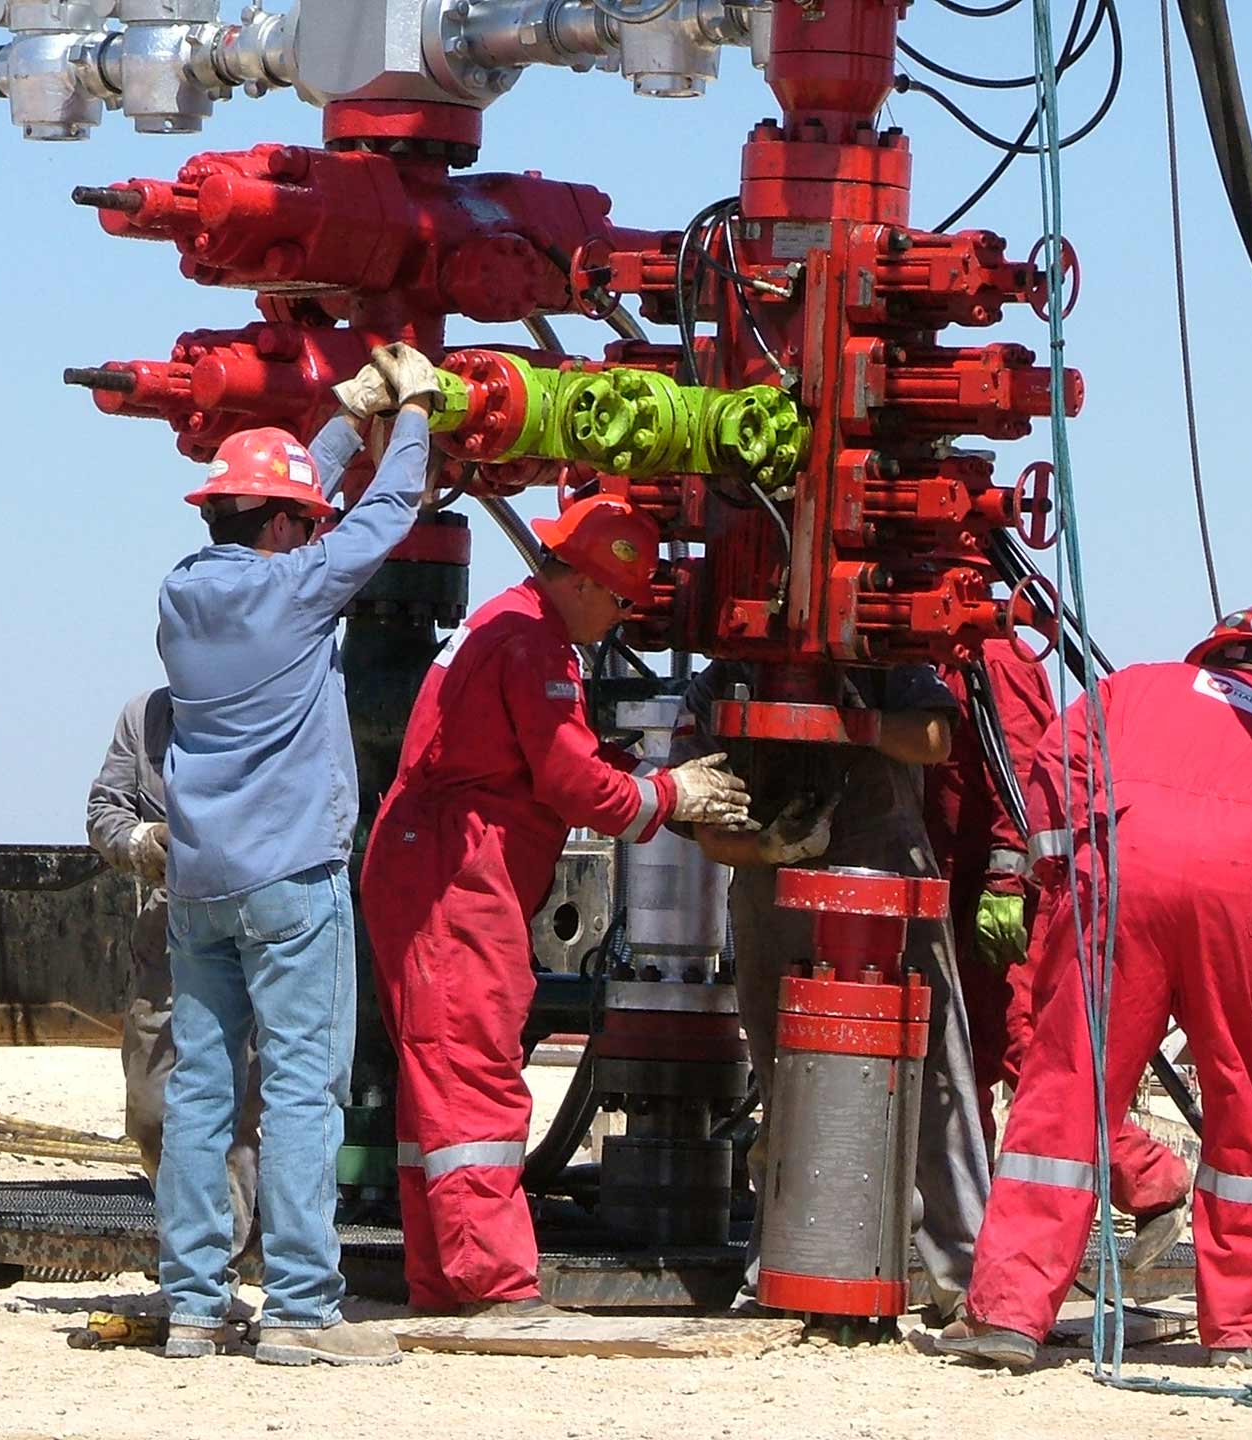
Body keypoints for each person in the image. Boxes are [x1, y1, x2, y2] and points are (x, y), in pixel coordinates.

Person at [940, 607, 1252, 1370]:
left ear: (1212, 655)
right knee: (1246, 1108)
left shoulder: (1135, 688)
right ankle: (1239, 1334)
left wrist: (1061, 874)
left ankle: (1010, 1318)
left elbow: (1053, 765)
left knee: (1067, 1091)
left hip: (1124, 883)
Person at [359, 495, 753, 1317]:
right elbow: (573, 783)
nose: (617, 619)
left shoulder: (516, 625)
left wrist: (631, 771)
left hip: (446, 866)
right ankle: (493, 1283)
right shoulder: (528, 639)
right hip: (453, 874)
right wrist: (673, 793)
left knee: (438, 1076)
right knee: (472, 1072)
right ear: (581, 577)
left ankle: (444, 1276)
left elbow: (548, 757)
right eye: (616, 599)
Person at [154, 343, 441, 1366]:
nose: (310, 533)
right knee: (301, 1090)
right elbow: (383, 520)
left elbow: (297, 512)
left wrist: (337, 420)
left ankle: (193, 1305)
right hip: (291, 883)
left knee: (202, 1090)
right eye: (301, 523)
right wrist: (411, 416)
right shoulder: (298, 591)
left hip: (201, 884)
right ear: (282, 529)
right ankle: (304, 1313)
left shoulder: (182, 598)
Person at [671, 661, 989, 1321]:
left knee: (933, 1085)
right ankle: (780, 1270)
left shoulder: (884, 662)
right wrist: (768, 849)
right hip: (773, 891)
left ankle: (969, 1278)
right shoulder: (716, 686)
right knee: (788, 1082)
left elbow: (937, 735)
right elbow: (705, 826)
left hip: (891, 885)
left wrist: (858, 725)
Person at [925, 641, 1190, 1271]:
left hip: (999, 897)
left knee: (1030, 1049)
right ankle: (973, 1218)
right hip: (950, 889)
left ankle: (1151, 1179)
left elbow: (1023, 774)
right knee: (966, 1061)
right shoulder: (927, 661)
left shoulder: (992, 660)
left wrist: (1007, 882)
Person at [86, 687, 259, 1272]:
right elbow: (104, 810)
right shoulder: (144, 718)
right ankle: (204, 1243)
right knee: (154, 1105)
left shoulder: (266, 706)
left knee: (244, 1106)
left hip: (253, 928)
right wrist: (142, 842)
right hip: (169, 933)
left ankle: (217, 1257)